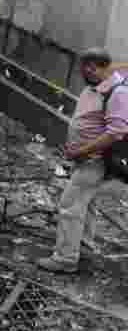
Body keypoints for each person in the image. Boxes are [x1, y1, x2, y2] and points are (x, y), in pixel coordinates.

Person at [38, 48, 128, 273]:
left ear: (102, 67)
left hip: (95, 160)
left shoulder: (118, 92)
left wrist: (82, 151)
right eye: (85, 67)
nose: (86, 72)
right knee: (86, 204)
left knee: (70, 205)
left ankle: (65, 258)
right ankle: (83, 245)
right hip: (85, 157)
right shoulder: (95, 87)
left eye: (92, 68)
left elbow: (116, 132)